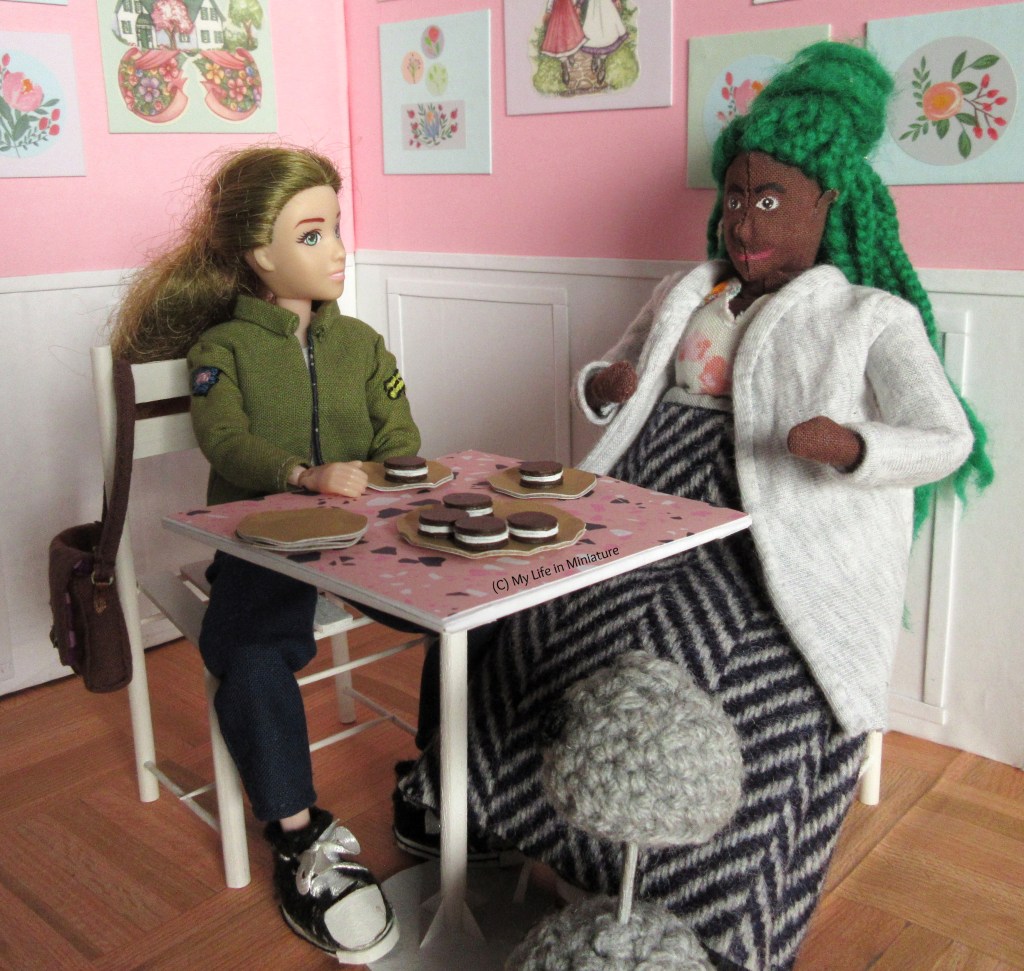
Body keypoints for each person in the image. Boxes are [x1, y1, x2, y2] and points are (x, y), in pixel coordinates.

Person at [395, 42, 992, 970]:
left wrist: (850, 445)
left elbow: (945, 437)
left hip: (770, 536)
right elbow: (603, 377)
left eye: (769, 198)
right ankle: (484, 819)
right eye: (737, 194)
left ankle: (709, 916)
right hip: (637, 500)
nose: (744, 218)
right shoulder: (689, 288)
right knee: (520, 618)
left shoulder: (868, 315)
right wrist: (612, 383)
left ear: (829, 203)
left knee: (735, 684)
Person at [110, 145, 419, 964]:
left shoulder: (363, 345)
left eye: (337, 228)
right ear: (259, 254)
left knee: (479, 608)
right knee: (247, 652)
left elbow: (400, 434)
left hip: (367, 537)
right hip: (258, 543)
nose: (339, 249)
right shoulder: (224, 348)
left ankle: (444, 780)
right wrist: (300, 475)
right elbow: (227, 439)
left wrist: (384, 480)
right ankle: (296, 831)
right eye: (313, 234)